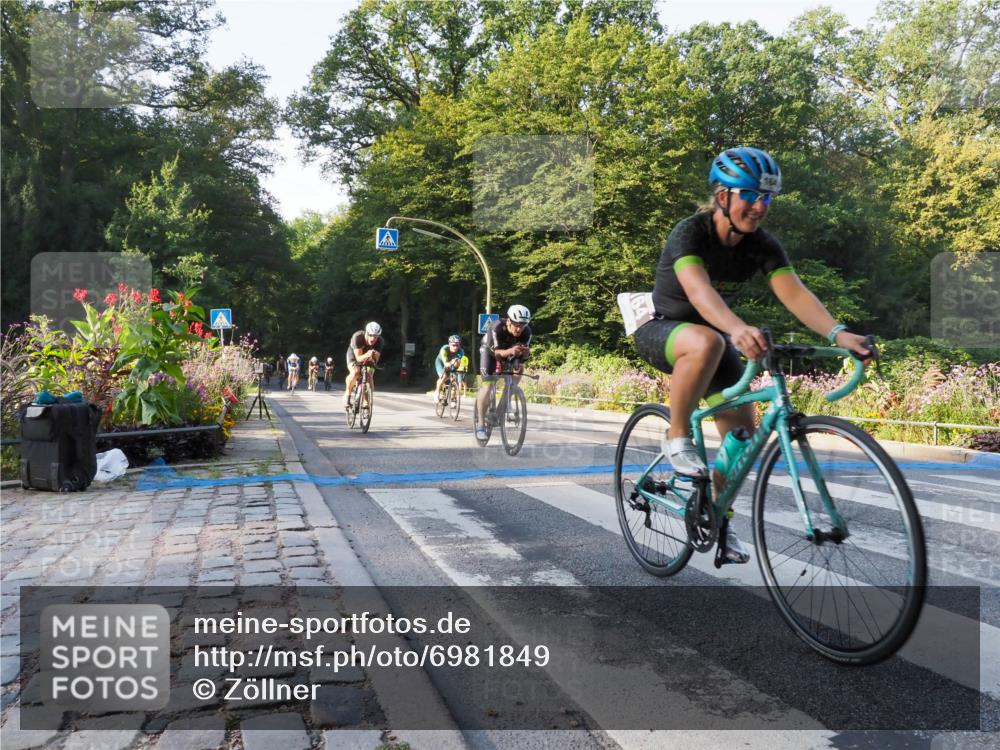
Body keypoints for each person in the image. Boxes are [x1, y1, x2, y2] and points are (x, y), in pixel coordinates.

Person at [633, 146, 873, 563]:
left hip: (713, 338)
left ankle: (716, 519)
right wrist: (736, 328)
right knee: (708, 341)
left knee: (740, 441)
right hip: (663, 330)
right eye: (751, 195)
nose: (760, 207)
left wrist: (838, 333)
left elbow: (794, 291)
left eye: (768, 198)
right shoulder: (690, 232)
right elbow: (698, 290)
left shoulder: (762, 244)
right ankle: (677, 436)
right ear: (723, 196)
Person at [476, 305, 532, 441]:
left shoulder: (527, 332)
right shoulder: (496, 327)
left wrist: (525, 354)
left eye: (523, 325)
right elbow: (497, 353)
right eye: (517, 325)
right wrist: (512, 351)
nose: (519, 329)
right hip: (489, 352)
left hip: (509, 352)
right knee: (488, 385)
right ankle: (481, 425)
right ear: (509, 321)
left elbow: (523, 357)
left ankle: (508, 395)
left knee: (519, 369)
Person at [344, 322, 384, 409]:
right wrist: (366, 355)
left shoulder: (380, 341)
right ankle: (347, 394)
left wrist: (374, 358)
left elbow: (375, 360)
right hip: (354, 355)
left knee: (369, 374)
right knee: (356, 372)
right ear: (366, 332)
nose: (373, 338)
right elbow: (358, 358)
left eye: (376, 336)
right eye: (370, 335)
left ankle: (367, 400)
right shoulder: (358, 337)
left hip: (368, 356)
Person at [433, 335, 465, 404]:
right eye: (453, 345)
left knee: (454, 379)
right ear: (449, 344)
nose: (456, 347)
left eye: (457, 345)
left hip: (452, 363)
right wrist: (450, 363)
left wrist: (454, 367)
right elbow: (446, 364)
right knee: (444, 376)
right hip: (441, 363)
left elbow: (457, 362)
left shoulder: (461, 351)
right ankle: (437, 392)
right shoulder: (444, 349)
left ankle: (453, 398)